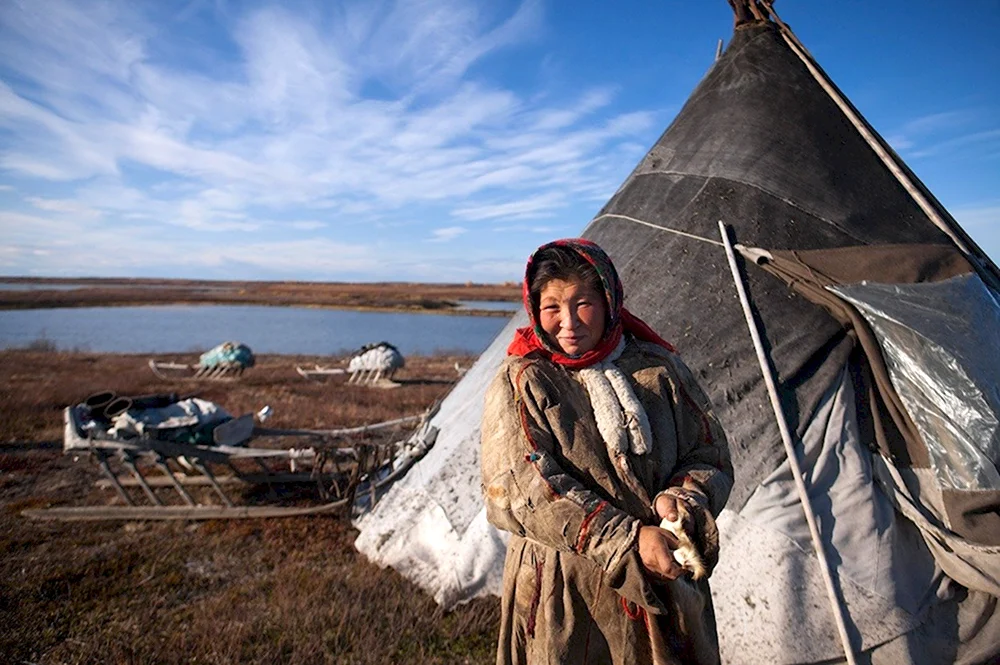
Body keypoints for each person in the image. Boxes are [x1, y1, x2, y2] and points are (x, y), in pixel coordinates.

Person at [481, 238, 734, 665]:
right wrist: (629, 540)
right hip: (566, 590)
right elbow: (522, 491)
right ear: (535, 311)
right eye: (552, 308)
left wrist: (684, 499)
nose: (568, 323)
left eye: (583, 303)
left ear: (609, 299)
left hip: (665, 575)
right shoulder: (524, 379)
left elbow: (708, 452)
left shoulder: (659, 368)